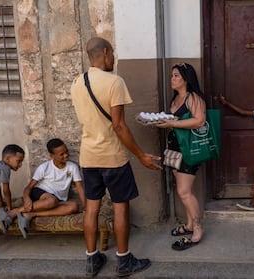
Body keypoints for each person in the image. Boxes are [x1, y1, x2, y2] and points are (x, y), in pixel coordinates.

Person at [71, 37, 162, 277]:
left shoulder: (76, 83)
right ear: (105, 52)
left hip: (88, 157)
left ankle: (91, 260)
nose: (114, 58)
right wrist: (141, 155)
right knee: (120, 207)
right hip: (112, 158)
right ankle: (123, 261)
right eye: (112, 53)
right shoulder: (114, 82)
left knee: (91, 208)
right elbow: (119, 126)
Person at [156, 63, 206, 251]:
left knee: (184, 192)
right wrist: (165, 122)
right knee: (184, 191)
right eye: (172, 75)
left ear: (186, 79)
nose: (172, 78)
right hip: (175, 150)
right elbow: (176, 122)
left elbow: (199, 120)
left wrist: (172, 123)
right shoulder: (176, 98)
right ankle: (189, 224)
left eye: (176, 75)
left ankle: (198, 228)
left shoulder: (193, 98)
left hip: (189, 151)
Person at [2, 138, 85, 239]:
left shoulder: (72, 167)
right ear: (52, 156)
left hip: (57, 199)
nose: (66, 155)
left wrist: (86, 207)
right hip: (40, 193)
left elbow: (80, 187)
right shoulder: (44, 167)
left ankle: (31, 214)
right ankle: (15, 211)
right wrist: (27, 198)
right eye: (62, 154)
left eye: (66, 152)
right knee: (51, 201)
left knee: (74, 207)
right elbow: (28, 188)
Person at [0, 144, 25, 233]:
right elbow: (6, 191)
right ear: (7, 159)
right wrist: (10, 208)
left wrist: (1, 201)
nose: (20, 165)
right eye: (18, 161)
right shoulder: (5, 168)